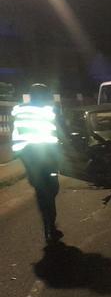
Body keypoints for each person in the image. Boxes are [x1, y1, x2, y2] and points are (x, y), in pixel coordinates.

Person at [11, 83, 63, 243]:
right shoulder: (48, 112)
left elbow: (16, 135)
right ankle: (50, 226)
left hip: (28, 157)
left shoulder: (20, 111)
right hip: (46, 157)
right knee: (52, 189)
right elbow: (57, 133)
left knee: (41, 191)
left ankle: (48, 224)